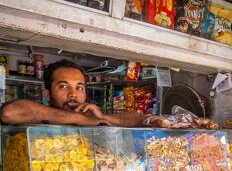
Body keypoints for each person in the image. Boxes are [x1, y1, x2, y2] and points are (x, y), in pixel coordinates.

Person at [0, 59, 144, 127]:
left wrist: (103, 117)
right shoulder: (36, 116)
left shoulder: (91, 118)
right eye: (63, 86)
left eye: (79, 87)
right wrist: (79, 119)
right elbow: (8, 113)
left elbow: (139, 118)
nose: (73, 94)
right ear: (47, 94)